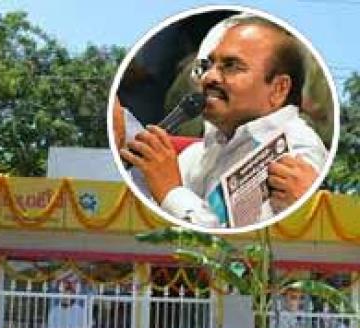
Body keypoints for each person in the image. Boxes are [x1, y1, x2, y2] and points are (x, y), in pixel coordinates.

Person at [122, 15, 327, 228]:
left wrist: (171, 192)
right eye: (208, 65)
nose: (209, 78)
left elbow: (235, 248)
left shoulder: (296, 154)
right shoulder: (198, 155)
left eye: (231, 66)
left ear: (278, 89)